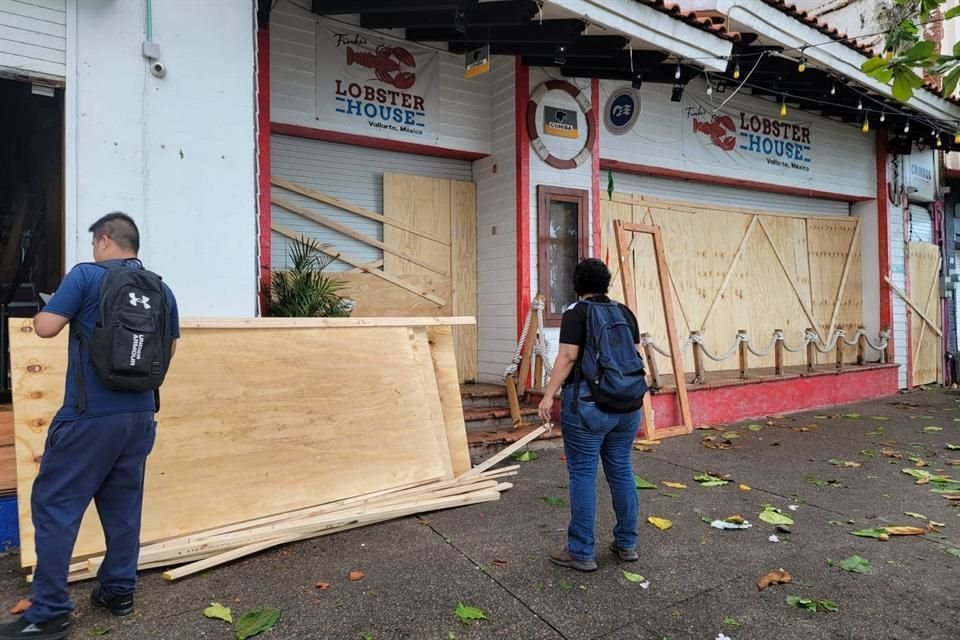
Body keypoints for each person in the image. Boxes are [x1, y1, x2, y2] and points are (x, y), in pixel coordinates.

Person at [0, 213, 179, 640]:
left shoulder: (85, 275)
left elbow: (45, 329)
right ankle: (118, 592)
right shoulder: (161, 288)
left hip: (88, 417)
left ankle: (49, 612)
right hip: (138, 417)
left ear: (103, 240)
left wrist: (57, 304)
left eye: (94, 243)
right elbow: (169, 349)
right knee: (122, 508)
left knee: (56, 506)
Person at [537, 258, 643, 572]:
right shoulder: (624, 312)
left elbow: (568, 356)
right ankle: (627, 543)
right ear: (605, 284)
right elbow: (636, 355)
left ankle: (581, 550)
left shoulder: (576, 312)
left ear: (577, 285)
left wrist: (547, 395)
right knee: (622, 470)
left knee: (583, 474)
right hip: (627, 407)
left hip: (588, 407)